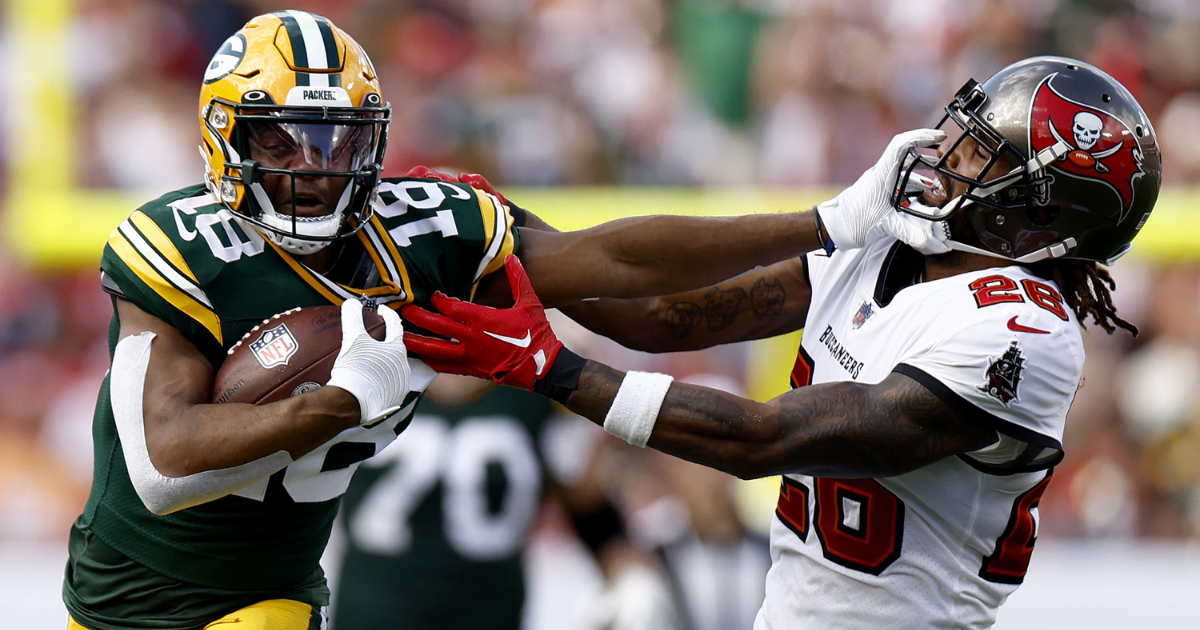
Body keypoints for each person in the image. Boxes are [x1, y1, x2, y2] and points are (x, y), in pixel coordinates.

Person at [62, 10, 914, 630]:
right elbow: (161, 465)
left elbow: (632, 286)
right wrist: (332, 404)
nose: (315, 171)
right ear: (227, 143)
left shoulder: (425, 232)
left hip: (265, 599)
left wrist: (828, 223)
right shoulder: (177, 245)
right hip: (114, 591)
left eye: (337, 141)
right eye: (281, 143)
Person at [401, 56, 1162, 629]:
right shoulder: (888, 244)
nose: (942, 151)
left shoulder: (1022, 332)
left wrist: (551, 369)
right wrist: (501, 236)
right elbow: (664, 316)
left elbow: (766, 439)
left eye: (977, 152)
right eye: (959, 130)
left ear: (1040, 212)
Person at [328, 374, 675, 630]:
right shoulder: (367, 370)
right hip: (371, 617)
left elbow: (596, 517)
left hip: (489, 616)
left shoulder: (539, 387)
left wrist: (634, 579)